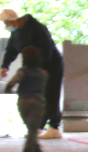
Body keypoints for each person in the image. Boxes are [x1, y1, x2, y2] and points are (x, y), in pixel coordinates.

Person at [1, 9, 64, 139]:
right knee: (38, 96)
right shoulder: (16, 33)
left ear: (13, 20)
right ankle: (38, 127)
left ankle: (54, 127)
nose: (6, 26)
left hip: (51, 65)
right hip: (34, 68)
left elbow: (47, 47)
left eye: (6, 23)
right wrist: (4, 66)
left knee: (50, 94)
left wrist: (44, 67)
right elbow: (11, 50)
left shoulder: (36, 27)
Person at [4, 46, 48, 152]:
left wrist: (9, 89)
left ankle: (37, 151)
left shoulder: (22, 71)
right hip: (38, 103)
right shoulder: (43, 74)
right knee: (33, 130)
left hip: (23, 103)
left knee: (31, 129)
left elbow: (11, 83)